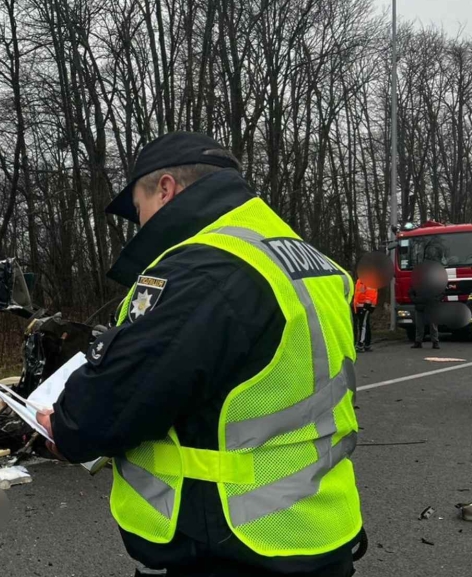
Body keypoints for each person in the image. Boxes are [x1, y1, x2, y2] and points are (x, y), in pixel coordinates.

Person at [37, 132, 363, 577]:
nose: (140, 224)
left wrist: (66, 426)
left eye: (139, 208)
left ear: (166, 189)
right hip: (316, 529)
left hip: (232, 546)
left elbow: (107, 412)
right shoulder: (300, 256)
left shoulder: (206, 269)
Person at [352, 276, 377, 352]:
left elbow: (370, 295)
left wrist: (366, 306)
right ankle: (366, 344)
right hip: (360, 306)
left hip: (364, 306)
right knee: (365, 325)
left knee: (363, 325)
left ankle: (360, 344)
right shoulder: (360, 281)